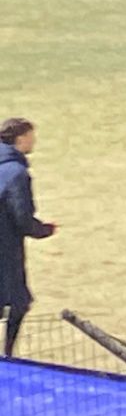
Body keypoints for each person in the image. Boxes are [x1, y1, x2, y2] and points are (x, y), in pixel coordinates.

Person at [0, 118, 57, 357]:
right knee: (18, 302)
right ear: (21, 139)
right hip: (5, 248)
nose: (34, 141)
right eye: (31, 137)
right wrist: (44, 230)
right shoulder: (16, 173)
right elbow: (21, 217)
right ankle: (8, 354)